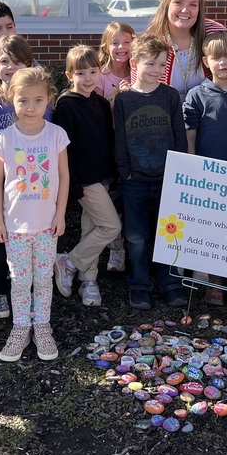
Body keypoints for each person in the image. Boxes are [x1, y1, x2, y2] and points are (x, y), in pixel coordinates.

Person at [0, 67, 70, 361]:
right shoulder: (5, 140)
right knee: (21, 281)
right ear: (12, 100)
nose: (31, 107)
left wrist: (61, 215)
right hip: (16, 228)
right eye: (23, 101)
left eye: (38, 100)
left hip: (47, 226)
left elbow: (63, 177)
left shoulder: (57, 135)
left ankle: (43, 327)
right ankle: (21, 327)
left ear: (48, 99)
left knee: (44, 278)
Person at [114, 33, 189, 310]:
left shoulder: (169, 96)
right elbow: (119, 138)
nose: (157, 70)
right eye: (151, 64)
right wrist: (126, 172)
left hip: (166, 178)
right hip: (135, 181)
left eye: (162, 64)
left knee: (169, 234)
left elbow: (179, 136)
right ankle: (140, 285)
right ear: (134, 62)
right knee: (136, 237)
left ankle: (171, 283)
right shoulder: (124, 100)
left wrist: (178, 171)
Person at [0, 34, 49, 320]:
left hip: (32, 183)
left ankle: (32, 292)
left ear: (30, 64)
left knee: (33, 240)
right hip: (2, 183)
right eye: (4, 61)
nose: (11, 66)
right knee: (0, 239)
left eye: (18, 61)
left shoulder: (39, 99)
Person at [183, 30, 227, 306]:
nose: (223, 63)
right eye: (216, 58)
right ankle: (214, 283)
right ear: (206, 62)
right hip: (210, 176)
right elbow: (190, 137)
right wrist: (192, 168)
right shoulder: (197, 95)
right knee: (214, 231)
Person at [52, 46, 120, 306]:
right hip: (84, 180)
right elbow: (65, 151)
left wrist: (112, 173)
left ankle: (88, 280)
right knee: (111, 227)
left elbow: (108, 139)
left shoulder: (101, 103)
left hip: (102, 176)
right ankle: (68, 261)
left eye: (93, 71)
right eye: (81, 73)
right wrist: (74, 185)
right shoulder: (66, 106)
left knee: (90, 227)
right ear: (70, 75)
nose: (89, 78)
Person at [143, 0, 225, 100]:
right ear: (167, 5)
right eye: (178, 2)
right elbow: (140, 89)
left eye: (193, 4)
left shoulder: (215, 33)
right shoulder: (150, 42)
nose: (185, 10)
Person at [96, 21, 135, 272]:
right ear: (106, 46)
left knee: (130, 193)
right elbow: (96, 115)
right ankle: (116, 249)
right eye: (115, 42)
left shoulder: (138, 71)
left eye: (127, 42)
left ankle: (135, 246)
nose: (121, 47)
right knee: (113, 198)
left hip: (134, 143)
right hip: (109, 142)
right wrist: (118, 101)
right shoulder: (100, 75)